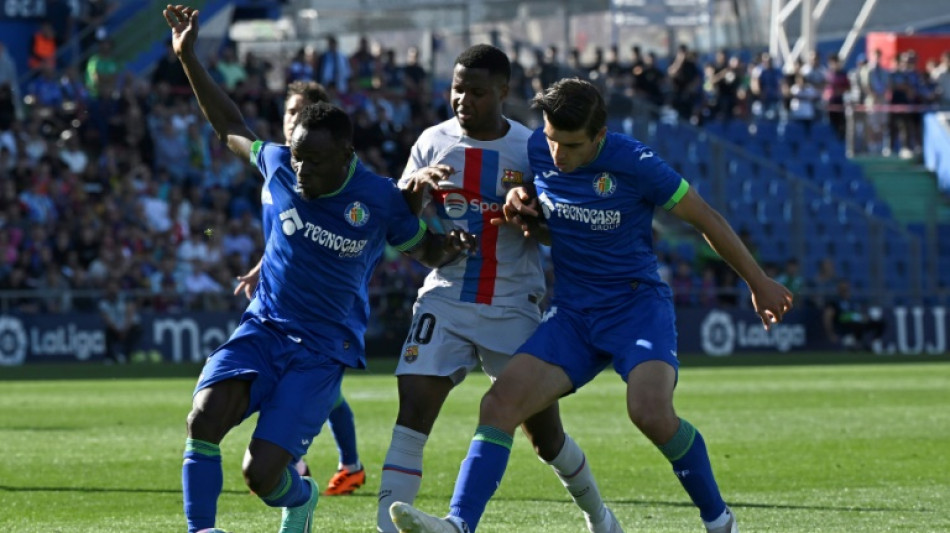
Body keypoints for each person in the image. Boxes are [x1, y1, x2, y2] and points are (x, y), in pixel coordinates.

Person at [389, 78, 793, 533]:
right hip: (575, 312)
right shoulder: (540, 152)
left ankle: (720, 521)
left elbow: (707, 219)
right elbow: (529, 198)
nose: (557, 153)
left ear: (598, 137)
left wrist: (758, 282)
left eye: (571, 144)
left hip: (635, 306)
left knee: (650, 413)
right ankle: (460, 525)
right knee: (499, 405)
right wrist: (519, 198)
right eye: (551, 138)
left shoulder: (637, 163)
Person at [163, 7, 477, 533]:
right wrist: (188, 56)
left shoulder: (379, 199)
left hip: (322, 349)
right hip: (263, 328)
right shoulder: (280, 164)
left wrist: (455, 244)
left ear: (347, 155)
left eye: (313, 160)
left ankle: (301, 498)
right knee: (202, 420)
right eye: (298, 157)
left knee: (261, 475)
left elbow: (425, 250)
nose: (301, 170)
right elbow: (230, 127)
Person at [376, 45, 621, 533]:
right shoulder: (431, 142)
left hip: (512, 302)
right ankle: (387, 528)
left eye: (477, 91)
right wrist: (415, 191)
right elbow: (399, 223)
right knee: (413, 412)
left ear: (504, 92)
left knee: (546, 437)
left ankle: (600, 517)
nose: (463, 99)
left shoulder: (532, 148)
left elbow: (561, 230)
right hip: (446, 295)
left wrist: (533, 218)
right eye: (457, 88)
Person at [234, 79, 368, 497]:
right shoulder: (278, 167)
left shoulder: (324, 177)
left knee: (322, 394)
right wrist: (261, 265)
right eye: (289, 112)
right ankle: (326, 462)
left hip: (323, 311)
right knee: (311, 392)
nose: (292, 120)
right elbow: (286, 235)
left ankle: (341, 463)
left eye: (300, 113)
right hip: (281, 299)